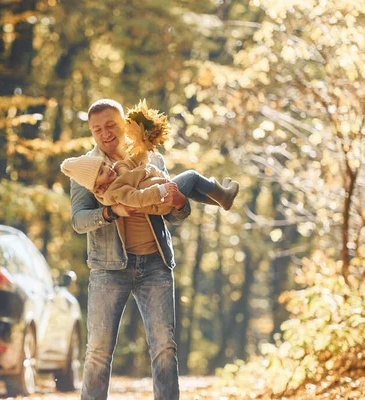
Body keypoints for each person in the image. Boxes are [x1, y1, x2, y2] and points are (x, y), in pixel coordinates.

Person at [70, 99, 193, 400]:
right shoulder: (86, 170)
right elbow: (78, 220)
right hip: (109, 268)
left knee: (165, 347)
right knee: (98, 351)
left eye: (111, 124)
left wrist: (180, 204)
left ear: (124, 123)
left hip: (156, 263)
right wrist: (111, 213)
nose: (105, 133)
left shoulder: (151, 158)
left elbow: (173, 213)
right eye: (97, 129)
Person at [61, 151, 239, 214]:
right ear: (96, 185)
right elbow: (137, 198)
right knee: (191, 176)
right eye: (101, 171)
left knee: (191, 190)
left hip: (162, 192)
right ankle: (223, 196)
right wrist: (160, 191)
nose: (108, 168)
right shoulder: (113, 192)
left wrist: (143, 147)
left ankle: (220, 200)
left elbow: (129, 164)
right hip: (160, 200)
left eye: (104, 164)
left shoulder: (115, 175)